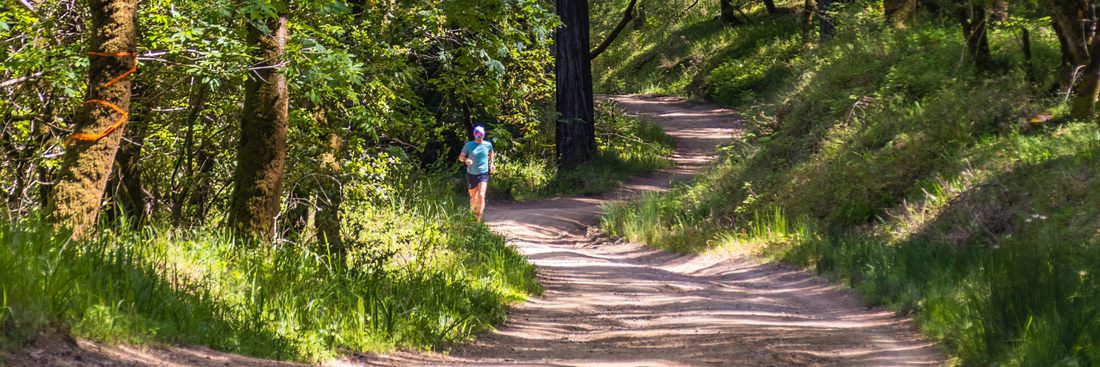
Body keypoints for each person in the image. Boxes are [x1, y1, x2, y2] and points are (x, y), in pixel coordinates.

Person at [459, 125, 495, 222]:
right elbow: (461, 156)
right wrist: (466, 159)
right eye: (477, 135)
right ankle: (473, 215)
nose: (479, 138)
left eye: (480, 136)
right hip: (471, 173)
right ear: (474, 135)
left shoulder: (487, 144)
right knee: (473, 197)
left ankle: (478, 217)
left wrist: (492, 163)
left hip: (483, 172)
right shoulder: (468, 145)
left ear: (483, 135)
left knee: (481, 195)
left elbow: (491, 152)